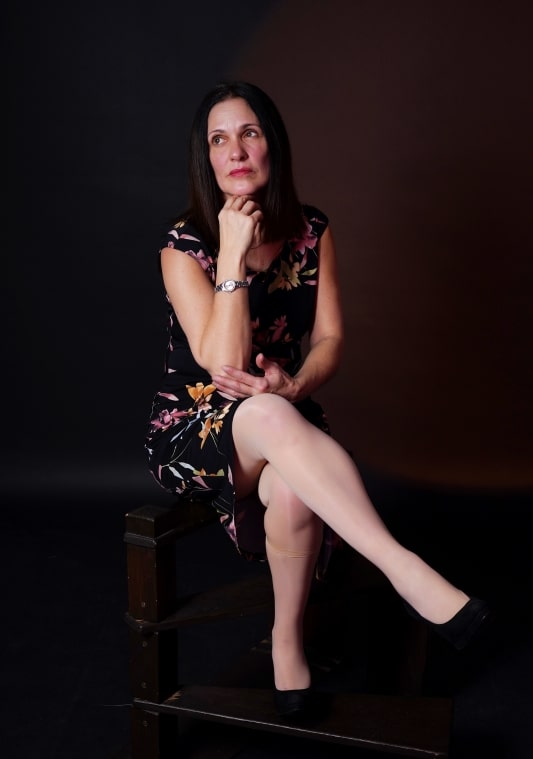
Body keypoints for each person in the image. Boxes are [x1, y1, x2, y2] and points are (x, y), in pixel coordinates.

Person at [145, 81, 490, 717]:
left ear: (272, 144)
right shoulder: (183, 245)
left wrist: (296, 384)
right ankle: (406, 572)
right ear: (206, 159)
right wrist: (231, 253)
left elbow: (329, 339)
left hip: (284, 418)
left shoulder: (312, 231)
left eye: (249, 133)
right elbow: (223, 366)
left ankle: (287, 645)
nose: (235, 151)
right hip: (196, 430)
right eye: (218, 140)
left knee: (293, 478)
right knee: (266, 413)